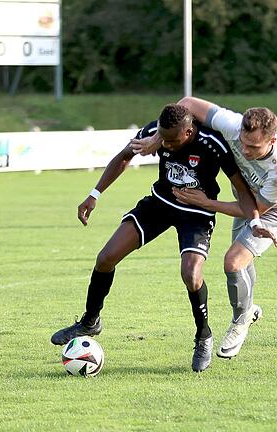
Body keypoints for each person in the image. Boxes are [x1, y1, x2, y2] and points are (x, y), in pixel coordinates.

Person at [50, 104, 263, 373]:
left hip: (196, 212)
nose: (167, 146)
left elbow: (244, 192)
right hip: (159, 204)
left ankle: (203, 336)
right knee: (106, 258)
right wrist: (94, 194)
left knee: (192, 274)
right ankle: (90, 321)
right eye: (163, 139)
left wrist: (251, 219)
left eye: (172, 141)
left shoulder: (212, 144)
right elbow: (124, 156)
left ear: (188, 131)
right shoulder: (157, 133)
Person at [132, 97, 277, 360]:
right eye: (243, 143)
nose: (245, 151)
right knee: (243, 262)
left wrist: (207, 202)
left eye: (253, 147)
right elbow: (186, 102)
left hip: (274, 209)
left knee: (233, 262)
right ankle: (248, 308)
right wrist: (157, 138)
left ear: (272, 141)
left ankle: (240, 322)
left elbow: (252, 210)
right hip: (244, 198)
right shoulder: (233, 125)